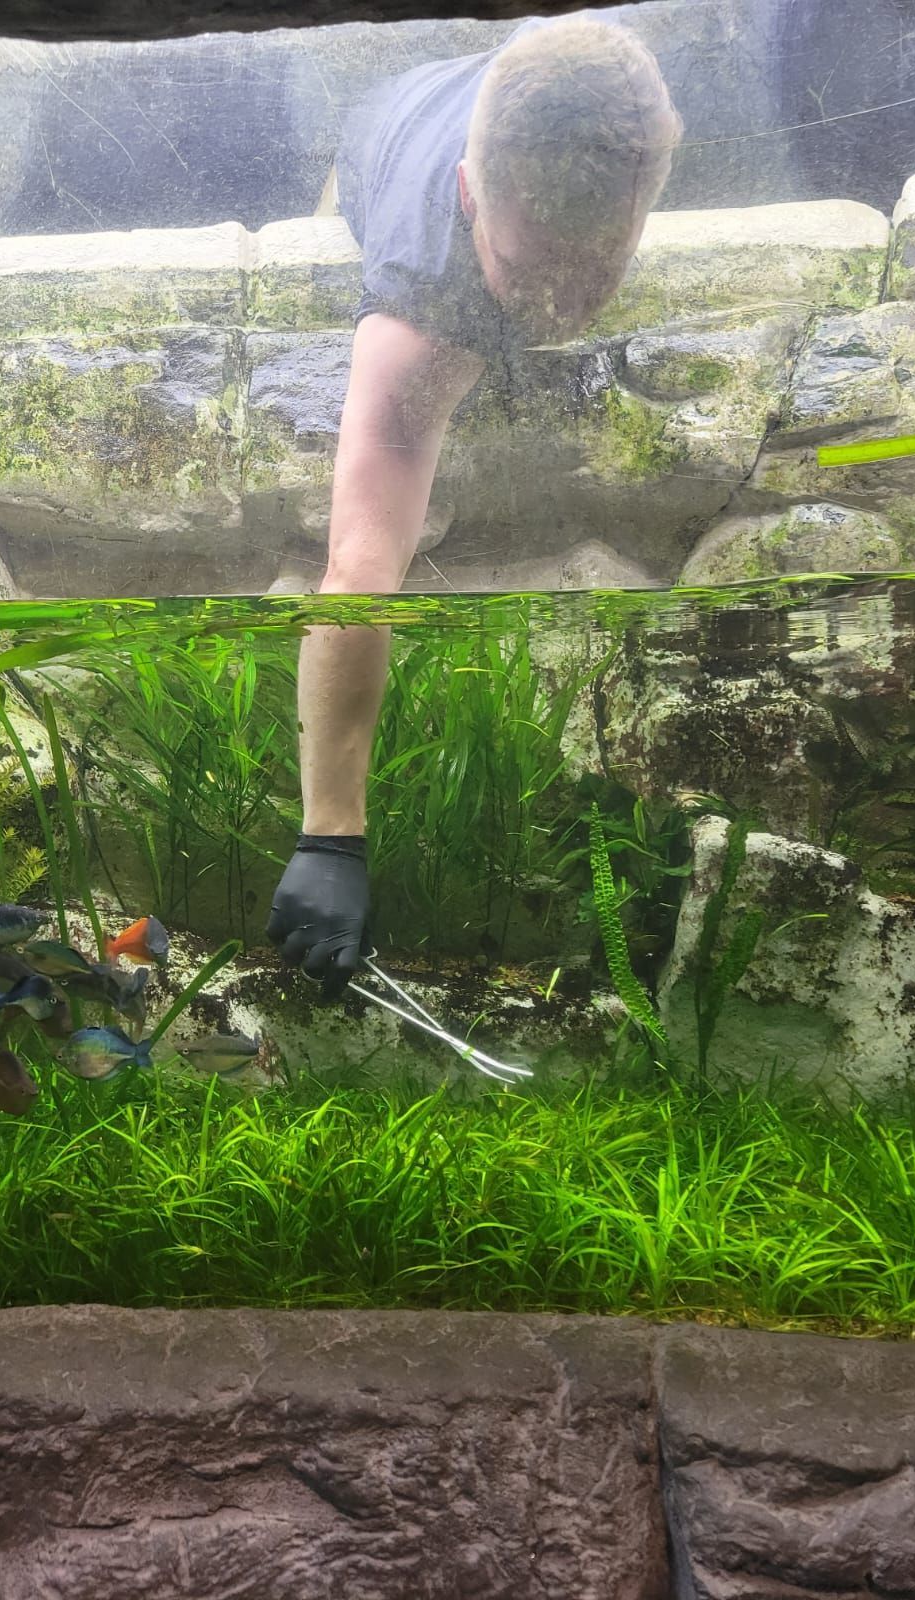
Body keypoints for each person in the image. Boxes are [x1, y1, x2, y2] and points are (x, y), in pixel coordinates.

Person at [266, 14, 683, 999]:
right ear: (468, 195)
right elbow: (359, 567)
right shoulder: (425, 279)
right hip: (384, 124)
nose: (560, 312)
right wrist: (331, 833)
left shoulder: (625, 117)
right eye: (526, 275)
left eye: (595, 273)